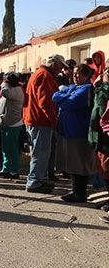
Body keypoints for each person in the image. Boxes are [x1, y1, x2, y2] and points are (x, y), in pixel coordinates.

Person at [23, 54, 66, 193]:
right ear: (53, 64)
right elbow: (46, 102)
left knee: (39, 152)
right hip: (40, 121)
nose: (61, 70)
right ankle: (35, 181)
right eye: (60, 67)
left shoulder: (39, 74)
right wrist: (54, 121)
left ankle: (37, 179)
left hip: (35, 119)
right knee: (41, 153)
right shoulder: (45, 76)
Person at [53, 64, 96, 202]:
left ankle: (80, 192)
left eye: (79, 74)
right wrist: (64, 97)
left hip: (78, 131)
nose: (76, 76)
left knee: (79, 163)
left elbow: (70, 103)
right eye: (75, 74)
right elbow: (55, 96)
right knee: (71, 162)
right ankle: (74, 190)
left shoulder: (87, 89)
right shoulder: (73, 87)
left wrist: (63, 98)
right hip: (67, 130)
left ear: (86, 75)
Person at [0, 72, 24, 180]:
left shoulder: (15, 91)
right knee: (6, 148)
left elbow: (4, 92)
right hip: (7, 123)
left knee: (12, 149)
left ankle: (14, 171)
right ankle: (6, 169)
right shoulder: (13, 89)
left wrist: (4, 83)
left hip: (13, 124)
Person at [89, 65, 109, 212]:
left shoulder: (106, 87)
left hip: (106, 132)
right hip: (98, 132)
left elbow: (102, 106)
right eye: (106, 69)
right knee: (103, 168)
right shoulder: (101, 86)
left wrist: (105, 85)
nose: (107, 72)